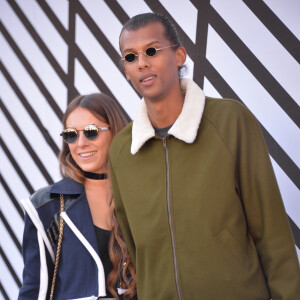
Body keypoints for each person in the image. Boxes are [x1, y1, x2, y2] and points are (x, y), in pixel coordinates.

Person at [108, 12, 300, 300]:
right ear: (126, 69)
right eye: (130, 56)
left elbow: (272, 234)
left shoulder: (230, 121)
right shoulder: (123, 149)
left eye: (151, 50)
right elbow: (136, 249)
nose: (142, 62)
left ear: (180, 55)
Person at [19, 93, 137, 300]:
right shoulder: (47, 206)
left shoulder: (143, 196)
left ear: (115, 132)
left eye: (91, 132)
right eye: (71, 134)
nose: (80, 143)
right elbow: (33, 290)